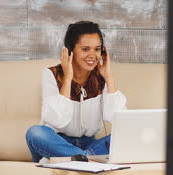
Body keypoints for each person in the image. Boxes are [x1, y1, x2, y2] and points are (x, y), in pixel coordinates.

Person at [26, 21, 127, 163]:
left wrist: (109, 78)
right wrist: (67, 79)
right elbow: (57, 120)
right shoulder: (52, 74)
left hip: (90, 144)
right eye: (85, 49)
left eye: (97, 49)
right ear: (70, 50)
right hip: (57, 142)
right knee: (34, 133)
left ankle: (77, 159)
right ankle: (87, 160)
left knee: (125, 134)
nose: (93, 55)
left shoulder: (100, 77)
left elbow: (119, 120)